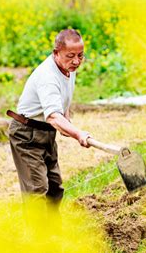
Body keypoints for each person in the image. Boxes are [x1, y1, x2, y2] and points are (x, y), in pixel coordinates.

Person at [8, 28, 91, 208]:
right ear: (56, 53)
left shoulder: (69, 67)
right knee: (36, 190)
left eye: (80, 55)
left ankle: (52, 232)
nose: (76, 61)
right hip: (27, 134)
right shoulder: (47, 76)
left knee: (55, 188)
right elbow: (53, 117)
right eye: (70, 56)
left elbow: (62, 101)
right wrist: (78, 134)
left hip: (46, 132)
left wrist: (66, 121)